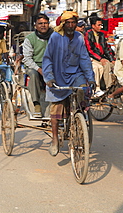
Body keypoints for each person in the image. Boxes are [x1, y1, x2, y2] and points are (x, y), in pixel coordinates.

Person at [42, 11, 95, 156]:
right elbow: (47, 58)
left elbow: (84, 58)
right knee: (56, 108)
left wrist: (90, 78)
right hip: (58, 75)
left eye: (73, 22)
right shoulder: (55, 37)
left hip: (75, 74)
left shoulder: (79, 37)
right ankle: (54, 139)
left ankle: (78, 119)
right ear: (63, 24)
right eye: (68, 23)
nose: (71, 25)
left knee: (83, 91)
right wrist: (49, 77)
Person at [22, 13, 53, 117]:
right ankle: (37, 104)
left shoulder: (54, 37)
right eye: (40, 23)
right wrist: (39, 69)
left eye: (45, 23)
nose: (43, 25)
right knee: (34, 74)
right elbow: (27, 58)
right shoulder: (30, 39)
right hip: (34, 66)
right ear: (35, 25)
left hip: (51, 65)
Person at [84, 16, 115, 95]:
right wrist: (100, 59)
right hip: (92, 58)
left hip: (101, 57)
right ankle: (96, 88)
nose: (101, 27)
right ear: (93, 26)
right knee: (98, 68)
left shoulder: (102, 35)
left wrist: (112, 59)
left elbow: (107, 48)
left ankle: (109, 88)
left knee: (108, 64)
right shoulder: (88, 34)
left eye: (101, 25)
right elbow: (89, 50)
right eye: (99, 25)